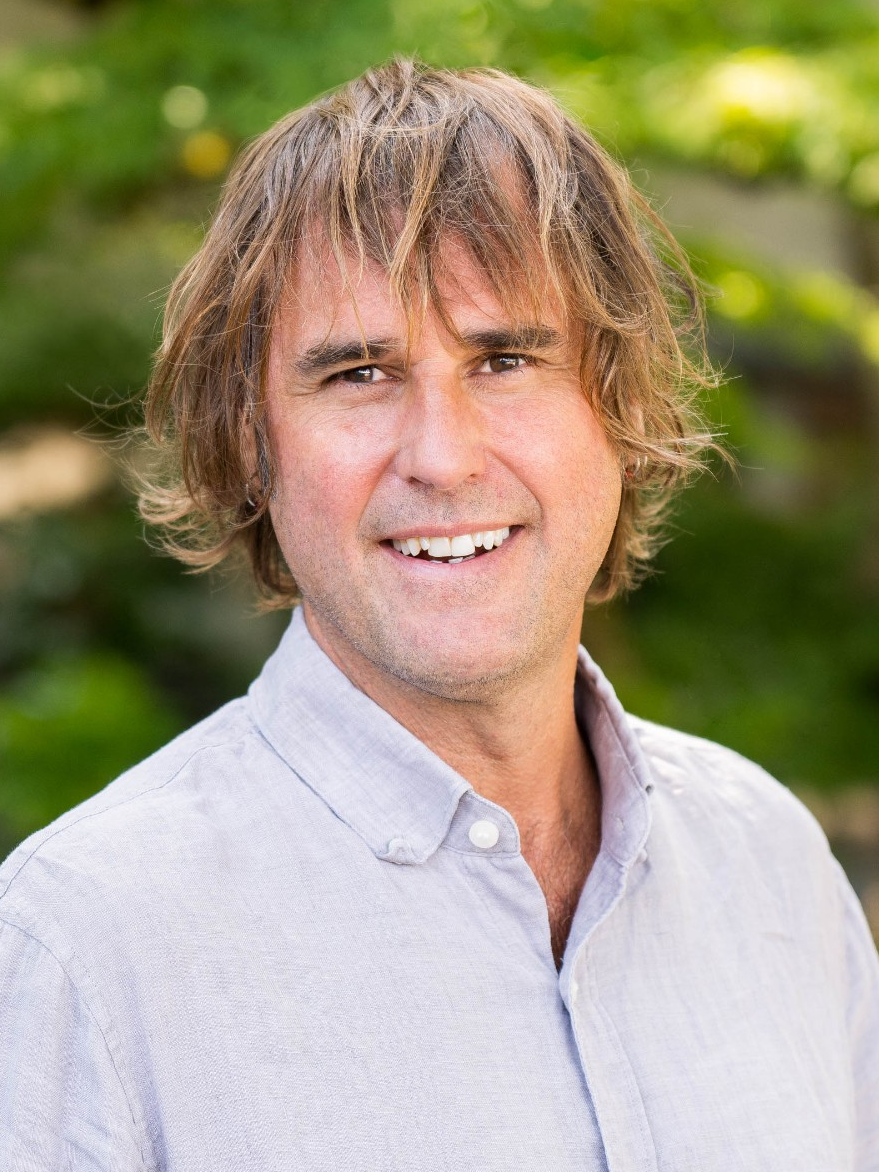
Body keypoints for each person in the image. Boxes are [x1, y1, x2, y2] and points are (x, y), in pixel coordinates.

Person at [1, 59, 877, 1171]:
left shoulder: (770, 863)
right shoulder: (83, 949)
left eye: (505, 359)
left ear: (618, 408)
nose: (444, 456)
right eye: (359, 374)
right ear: (251, 441)